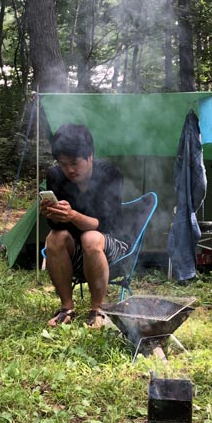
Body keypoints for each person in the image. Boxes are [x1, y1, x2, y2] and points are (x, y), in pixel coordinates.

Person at [42, 123, 128, 328]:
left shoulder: (109, 174)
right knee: (54, 237)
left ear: (90, 156)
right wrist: (52, 213)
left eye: (74, 163)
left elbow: (105, 223)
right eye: (63, 164)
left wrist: (72, 215)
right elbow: (56, 226)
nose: (69, 170)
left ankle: (98, 309)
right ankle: (66, 308)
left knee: (91, 237)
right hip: (77, 252)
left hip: (112, 247)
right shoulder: (55, 176)